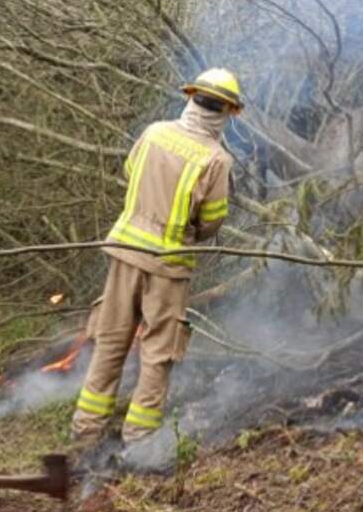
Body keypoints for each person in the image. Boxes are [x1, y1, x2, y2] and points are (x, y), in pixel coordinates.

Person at [71, 68, 242, 444]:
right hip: (168, 265)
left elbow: (131, 173)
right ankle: (139, 438)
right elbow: (211, 221)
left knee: (111, 339)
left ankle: (86, 429)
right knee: (158, 352)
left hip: (126, 252)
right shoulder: (217, 159)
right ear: (228, 112)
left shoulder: (153, 133)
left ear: (191, 98)